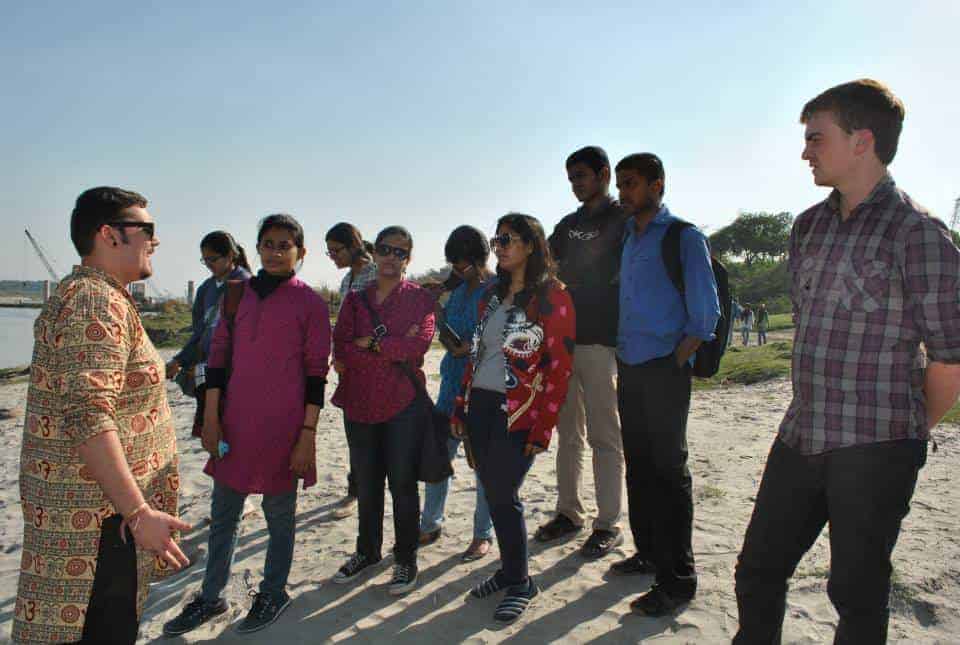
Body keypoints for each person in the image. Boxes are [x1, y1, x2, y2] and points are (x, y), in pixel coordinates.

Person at [734, 79, 960, 644]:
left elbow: (951, 360)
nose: (805, 150)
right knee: (757, 571)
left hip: (876, 445)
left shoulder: (919, 233)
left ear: (862, 141)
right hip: (800, 432)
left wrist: (905, 437)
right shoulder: (807, 226)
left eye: (816, 137)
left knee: (856, 594)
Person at [14, 187, 187, 644]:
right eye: (145, 229)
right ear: (109, 235)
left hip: (101, 520)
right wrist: (138, 513)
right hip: (97, 526)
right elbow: (89, 416)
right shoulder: (93, 301)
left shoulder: (103, 297)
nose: (155, 240)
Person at [163, 214, 331, 636]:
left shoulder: (310, 304)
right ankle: (211, 595)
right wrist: (212, 418)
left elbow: (316, 376)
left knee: (280, 516)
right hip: (234, 423)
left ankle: (274, 592)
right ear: (255, 249)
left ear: (301, 252)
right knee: (224, 515)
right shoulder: (235, 295)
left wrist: (306, 437)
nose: (275, 252)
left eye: (285, 244)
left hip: (284, 427)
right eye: (268, 244)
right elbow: (217, 360)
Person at [452, 213, 576, 623]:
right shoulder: (492, 294)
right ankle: (508, 572)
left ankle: (521, 580)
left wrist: (544, 429)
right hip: (481, 407)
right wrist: (460, 404)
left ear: (531, 244)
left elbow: (559, 369)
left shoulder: (553, 297)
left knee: (504, 493)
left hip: (519, 412)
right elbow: (477, 353)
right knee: (494, 492)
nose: (499, 246)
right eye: (496, 239)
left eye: (507, 239)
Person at [614, 153, 720, 615]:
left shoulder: (684, 236)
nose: (624, 192)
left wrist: (674, 362)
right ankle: (649, 553)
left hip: (663, 368)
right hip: (630, 365)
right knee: (638, 466)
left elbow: (705, 315)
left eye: (632, 183)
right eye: (621, 184)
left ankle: (678, 580)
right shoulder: (628, 237)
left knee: (669, 473)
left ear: (658, 184)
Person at [331, 226, 436, 596]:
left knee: (403, 485)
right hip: (359, 402)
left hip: (403, 404)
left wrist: (372, 343)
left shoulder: (420, 299)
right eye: (386, 249)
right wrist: (388, 344)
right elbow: (341, 350)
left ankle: (406, 556)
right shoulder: (355, 301)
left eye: (401, 251)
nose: (392, 257)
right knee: (368, 483)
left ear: (409, 258)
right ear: (375, 253)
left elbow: (418, 347)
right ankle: (367, 551)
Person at [536, 146, 627, 558]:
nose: (576, 184)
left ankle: (608, 523)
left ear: (603, 174)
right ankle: (568, 512)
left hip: (603, 342)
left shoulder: (623, 218)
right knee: (567, 434)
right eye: (571, 178)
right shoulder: (567, 226)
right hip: (563, 343)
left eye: (582, 176)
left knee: (606, 436)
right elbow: (545, 269)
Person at [418, 226, 495, 561]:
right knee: (438, 456)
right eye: (454, 267)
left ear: (481, 259)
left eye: (463, 266)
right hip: (451, 382)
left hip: (483, 388)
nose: (458, 273)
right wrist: (438, 310)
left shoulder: (497, 290)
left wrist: (469, 347)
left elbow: (494, 339)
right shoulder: (461, 291)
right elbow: (448, 339)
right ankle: (430, 522)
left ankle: (482, 534)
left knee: (484, 465)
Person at [165, 231, 251, 436]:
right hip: (208, 370)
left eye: (213, 259)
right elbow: (199, 333)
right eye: (205, 260)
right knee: (212, 432)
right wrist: (180, 360)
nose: (209, 264)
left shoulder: (247, 285)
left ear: (231, 255)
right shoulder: (205, 288)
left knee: (234, 430)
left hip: (236, 371)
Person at [325, 222, 378, 519]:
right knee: (353, 430)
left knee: (370, 432)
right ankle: (356, 488)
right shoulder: (347, 280)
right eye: (329, 252)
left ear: (352, 246)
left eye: (336, 250)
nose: (332, 256)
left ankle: (364, 489)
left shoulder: (376, 274)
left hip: (372, 365)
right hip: (348, 368)